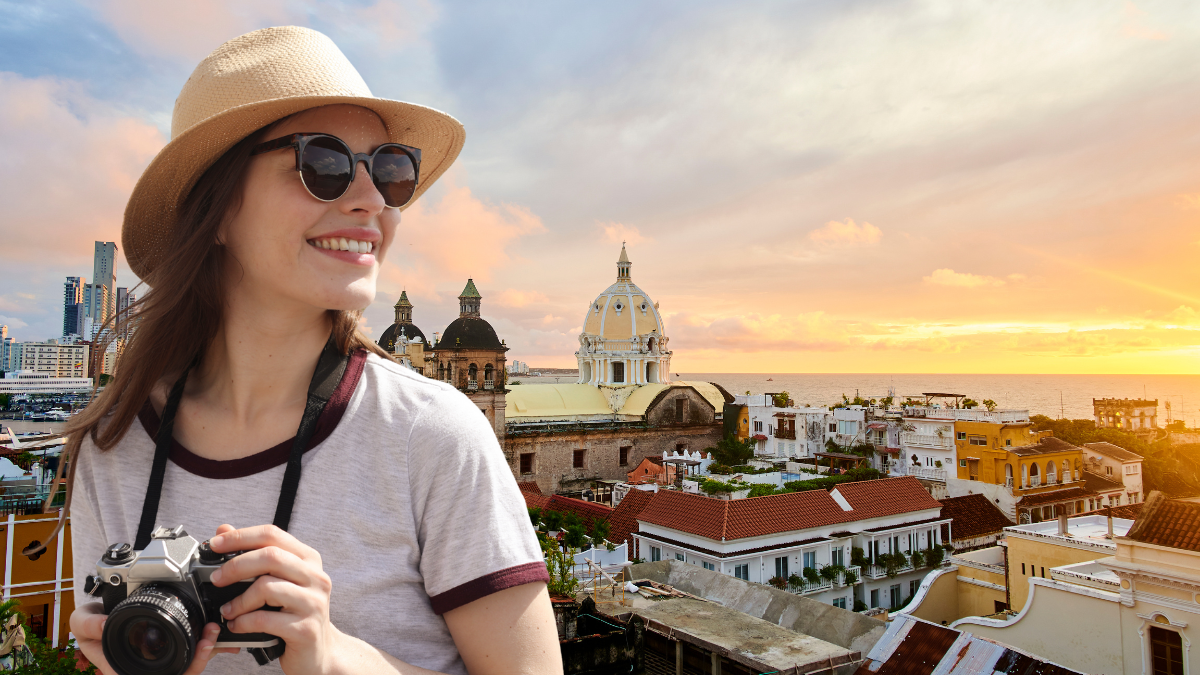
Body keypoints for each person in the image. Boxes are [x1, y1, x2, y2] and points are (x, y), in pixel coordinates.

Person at [57, 26, 560, 675]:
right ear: (214, 209)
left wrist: (334, 656)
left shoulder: (432, 435)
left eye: (390, 170)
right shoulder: (115, 446)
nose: (372, 199)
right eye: (321, 164)